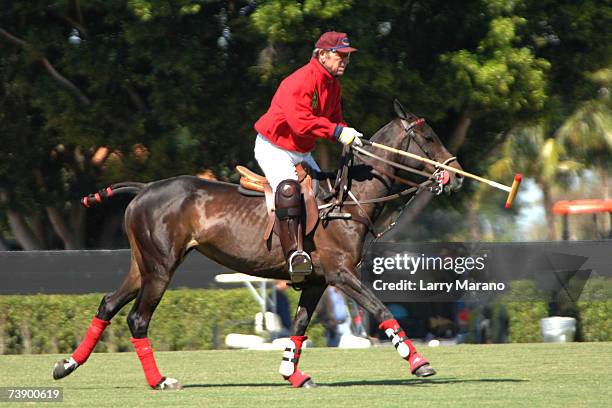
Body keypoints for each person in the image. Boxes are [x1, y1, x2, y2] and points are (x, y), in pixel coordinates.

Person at [253, 31, 364, 280]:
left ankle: (320, 249)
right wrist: (337, 132)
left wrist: (348, 133)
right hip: (274, 147)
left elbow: (335, 120)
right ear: (323, 55)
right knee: (290, 190)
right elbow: (301, 124)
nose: (345, 61)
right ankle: (294, 255)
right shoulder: (300, 80)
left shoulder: (332, 85)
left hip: (301, 151)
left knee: (327, 193)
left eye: (347, 57)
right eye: (340, 56)